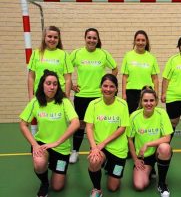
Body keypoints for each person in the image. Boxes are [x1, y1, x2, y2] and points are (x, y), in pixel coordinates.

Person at [19, 70, 80, 197]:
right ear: (42, 85)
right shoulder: (36, 102)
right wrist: (35, 144)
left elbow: (76, 123)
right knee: (39, 162)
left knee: (58, 187)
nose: (52, 87)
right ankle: (44, 183)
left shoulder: (64, 102)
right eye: (48, 83)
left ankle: (59, 172)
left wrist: (57, 142)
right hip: (42, 144)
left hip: (61, 148)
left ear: (58, 86)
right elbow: (23, 124)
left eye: (55, 84)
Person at [69, 28, 118, 164]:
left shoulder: (103, 54)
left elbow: (115, 68)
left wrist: (106, 85)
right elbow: (64, 68)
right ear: (85, 38)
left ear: (98, 40)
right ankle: (75, 151)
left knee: (99, 125)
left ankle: (100, 151)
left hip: (98, 97)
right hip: (82, 96)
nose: (91, 40)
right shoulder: (77, 53)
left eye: (94, 38)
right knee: (81, 124)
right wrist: (72, 85)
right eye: (89, 37)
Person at [84, 74, 130, 197]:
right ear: (100, 87)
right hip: (99, 147)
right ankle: (97, 189)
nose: (108, 89)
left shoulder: (122, 104)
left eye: (111, 86)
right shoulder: (93, 104)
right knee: (94, 160)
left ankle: (109, 167)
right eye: (105, 86)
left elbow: (122, 128)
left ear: (116, 89)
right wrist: (94, 147)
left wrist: (103, 144)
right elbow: (89, 127)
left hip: (118, 149)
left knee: (113, 187)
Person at [127, 86, 173, 197]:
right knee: (139, 186)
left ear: (156, 101)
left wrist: (147, 144)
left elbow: (167, 137)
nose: (149, 103)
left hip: (157, 152)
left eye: (151, 100)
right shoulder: (134, 116)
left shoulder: (162, 114)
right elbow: (130, 139)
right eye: (145, 100)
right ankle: (150, 169)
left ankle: (162, 183)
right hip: (143, 157)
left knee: (165, 148)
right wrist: (135, 160)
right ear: (141, 102)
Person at [27, 25, 73, 135]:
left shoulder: (64, 55)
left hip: (58, 96)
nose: (52, 39)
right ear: (44, 37)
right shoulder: (36, 53)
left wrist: (66, 96)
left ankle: (59, 148)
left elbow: (68, 79)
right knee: (42, 125)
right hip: (41, 96)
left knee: (58, 125)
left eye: (55, 37)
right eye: (49, 36)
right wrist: (31, 97)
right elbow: (31, 77)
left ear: (59, 39)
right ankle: (40, 148)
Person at [121, 30, 160, 114]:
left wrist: (156, 95)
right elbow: (125, 77)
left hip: (147, 91)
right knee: (132, 116)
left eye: (143, 40)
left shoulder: (151, 58)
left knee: (146, 116)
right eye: (138, 40)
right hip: (131, 92)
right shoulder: (128, 56)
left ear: (146, 42)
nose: (140, 42)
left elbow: (155, 78)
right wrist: (124, 94)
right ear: (134, 41)